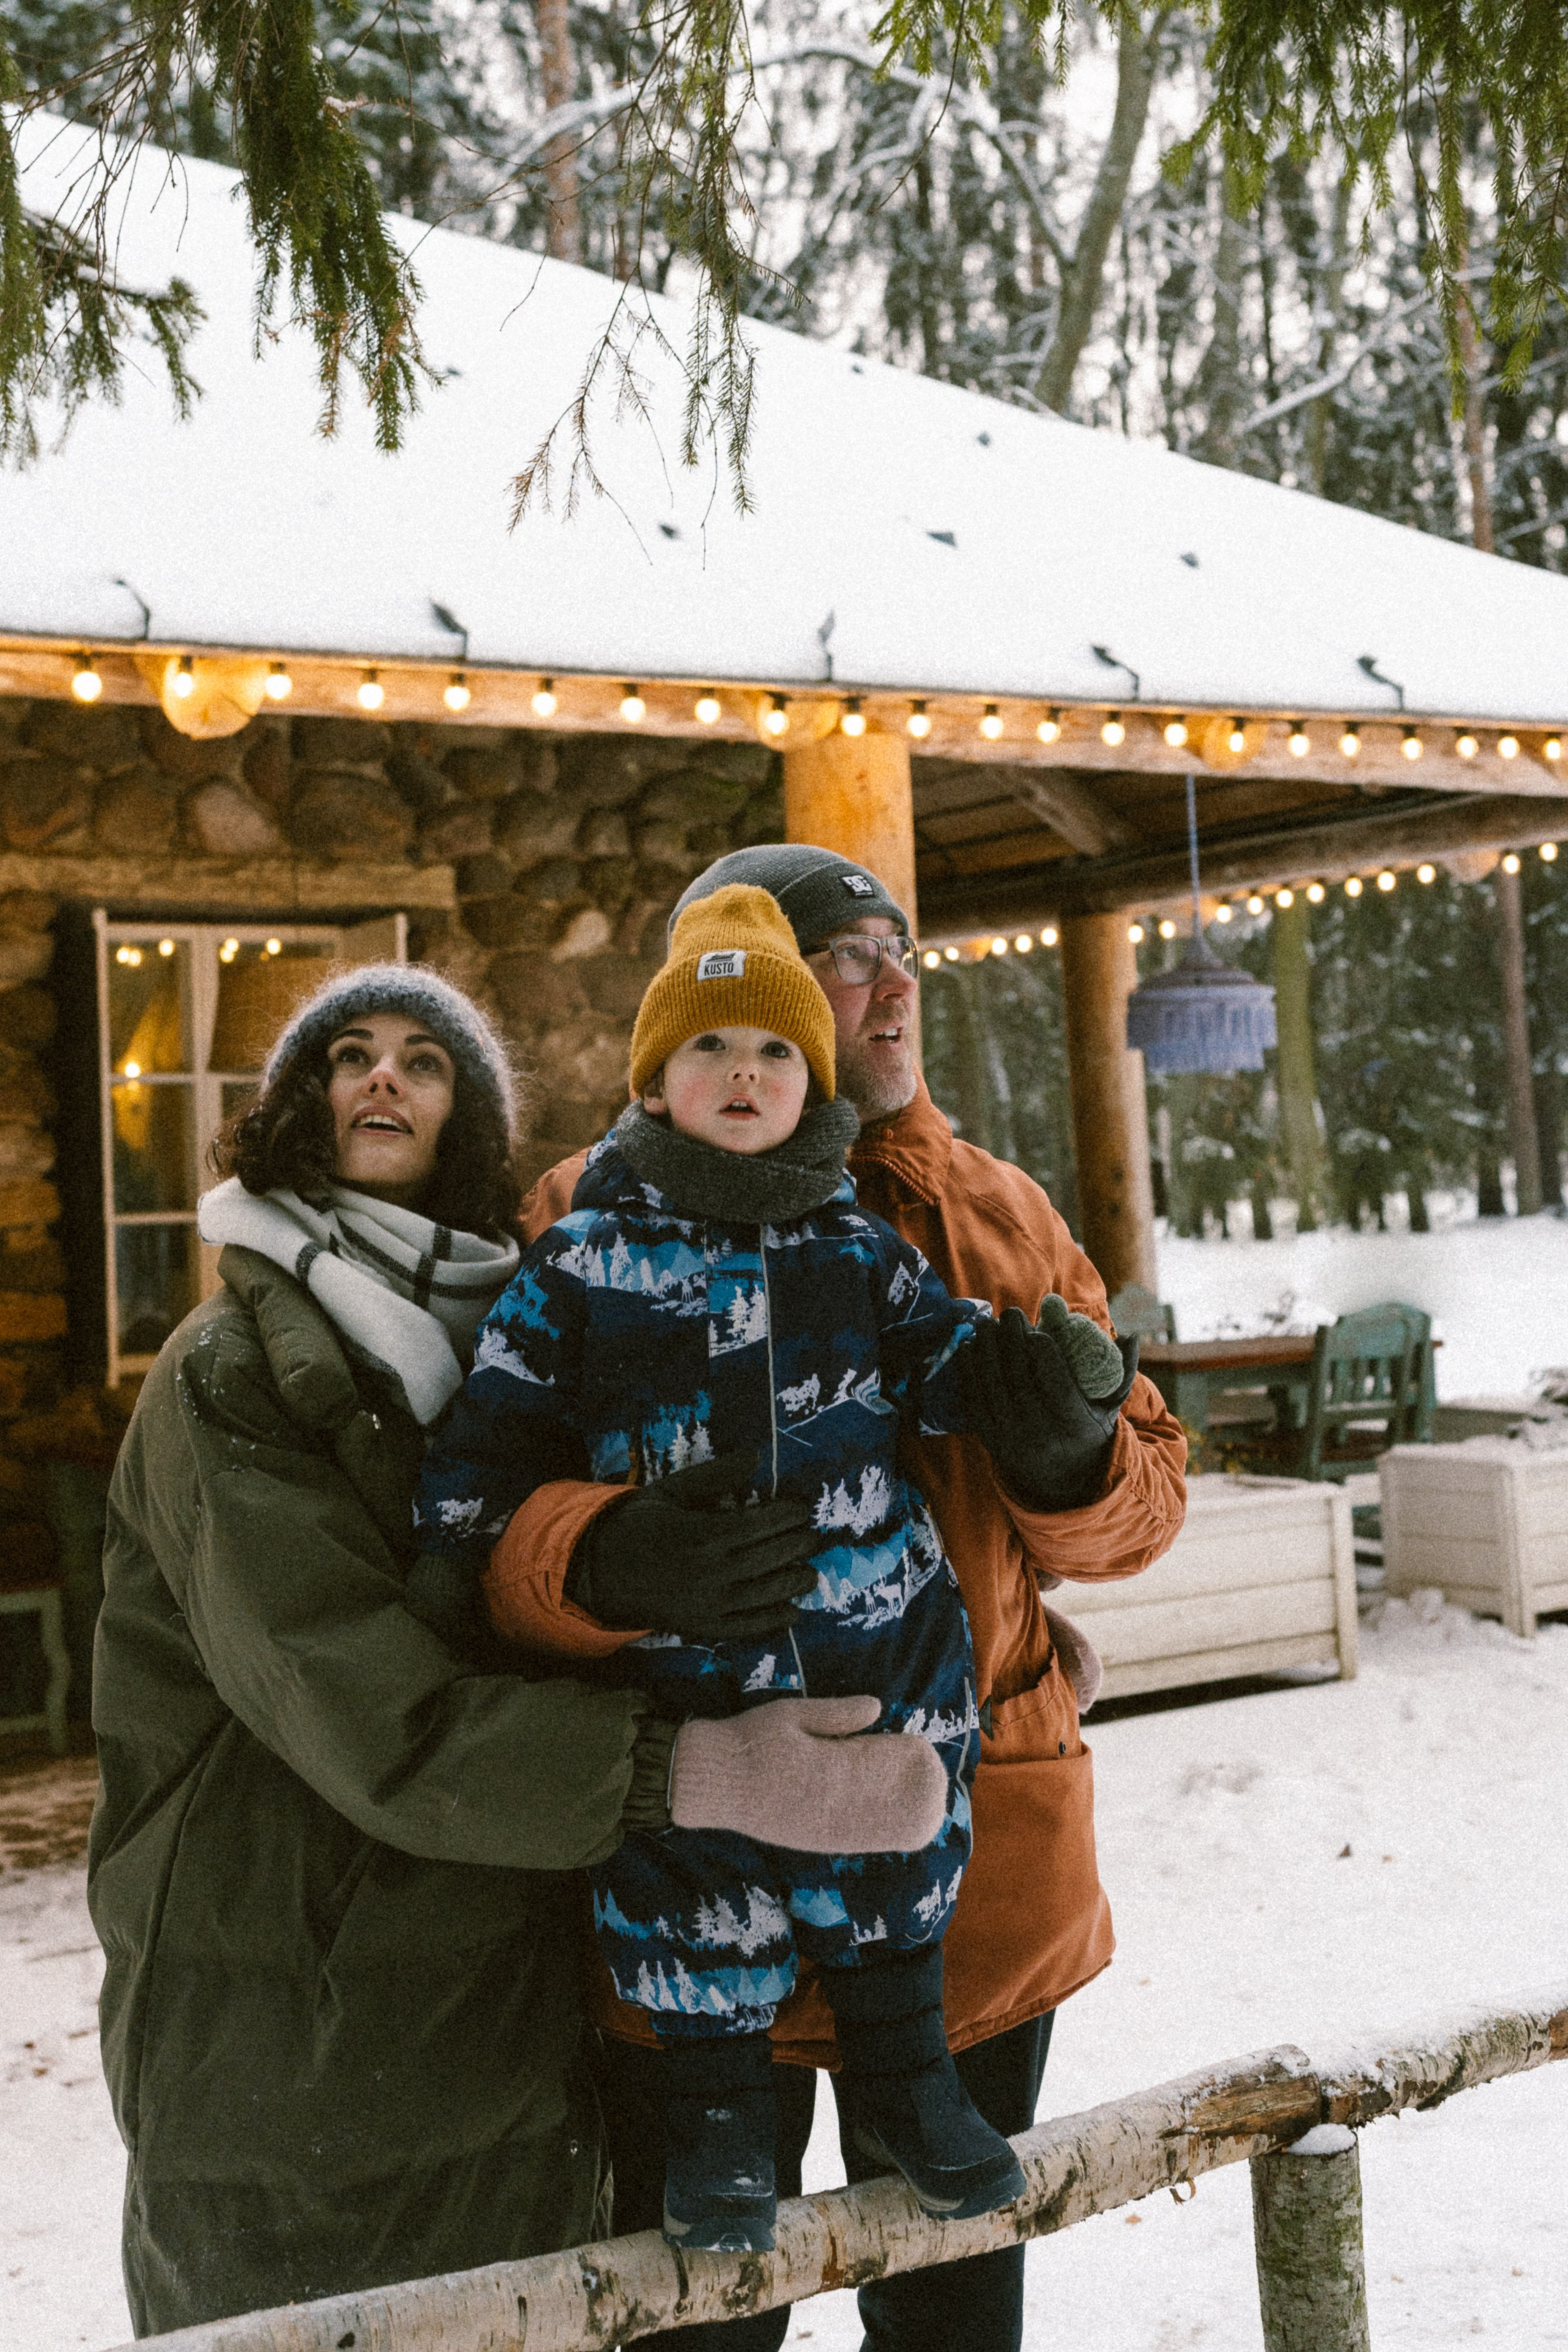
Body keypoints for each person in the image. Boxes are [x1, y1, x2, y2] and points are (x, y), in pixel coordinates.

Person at [88, 961, 947, 2337]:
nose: (384, 1076)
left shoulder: (519, 1322)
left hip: (495, 1986)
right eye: (349, 1054)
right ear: (295, 1112)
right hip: (288, 2004)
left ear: (470, 1124)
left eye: (424, 1063)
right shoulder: (230, 1369)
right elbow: (360, 1703)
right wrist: (691, 1775)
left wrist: (913, 1616)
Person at [489, 848, 1188, 2352]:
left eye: (898, 953)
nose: (886, 986)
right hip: (687, 1853)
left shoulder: (992, 1215)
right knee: (698, 2313)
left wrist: (1068, 1455)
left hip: (961, 1861)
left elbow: (1138, 1516)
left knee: (950, 2307)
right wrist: (595, 1554)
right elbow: (481, 1509)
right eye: (839, 959)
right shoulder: (583, 1213)